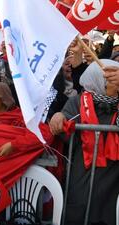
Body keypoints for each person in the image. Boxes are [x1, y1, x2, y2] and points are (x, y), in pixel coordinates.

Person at [49, 59, 119, 225]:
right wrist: (59, 117)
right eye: (112, 78)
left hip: (114, 175)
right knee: (81, 209)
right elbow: (64, 127)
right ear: (100, 81)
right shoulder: (79, 101)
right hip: (84, 172)